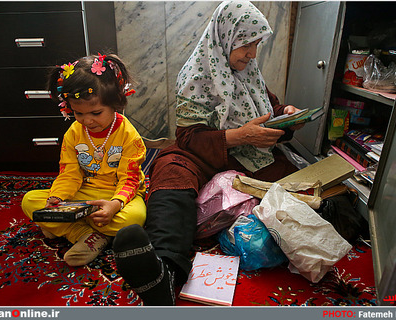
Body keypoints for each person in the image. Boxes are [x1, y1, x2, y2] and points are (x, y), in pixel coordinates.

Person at [112, 1, 303, 305]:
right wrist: (239, 136)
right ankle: (164, 270)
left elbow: (268, 109)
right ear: (226, 37)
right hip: (202, 153)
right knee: (172, 169)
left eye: (256, 45)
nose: (252, 54)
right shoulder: (196, 76)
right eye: (246, 45)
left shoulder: (250, 72)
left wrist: (286, 114)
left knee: (308, 188)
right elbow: (188, 137)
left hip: (249, 155)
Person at [21, 53, 147, 267]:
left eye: (96, 113)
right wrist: (57, 198)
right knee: (30, 202)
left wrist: (115, 205)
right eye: (78, 113)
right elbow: (69, 174)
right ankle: (90, 234)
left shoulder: (128, 135)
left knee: (134, 219)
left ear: (115, 103)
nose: (87, 120)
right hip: (83, 194)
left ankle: (74, 227)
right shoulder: (73, 133)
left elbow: (130, 179)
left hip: (117, 195)